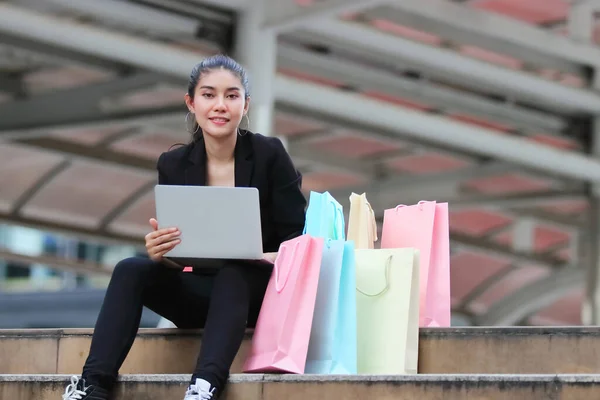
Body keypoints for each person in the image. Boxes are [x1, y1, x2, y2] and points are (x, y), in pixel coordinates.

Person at [62, 54, 307, 400]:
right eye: (208, 95)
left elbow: (298, 241)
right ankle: (92, 385)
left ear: (245, 104)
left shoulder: (269, 155)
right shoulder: (175, 164)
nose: (220, 105)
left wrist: (256, 255)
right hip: (198, 294)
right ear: (191, 103)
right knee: (131, 268)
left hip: (253, 295)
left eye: (231, 96)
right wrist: (163, 252)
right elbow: (186, 258)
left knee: (235, 270)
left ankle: (204, 386)